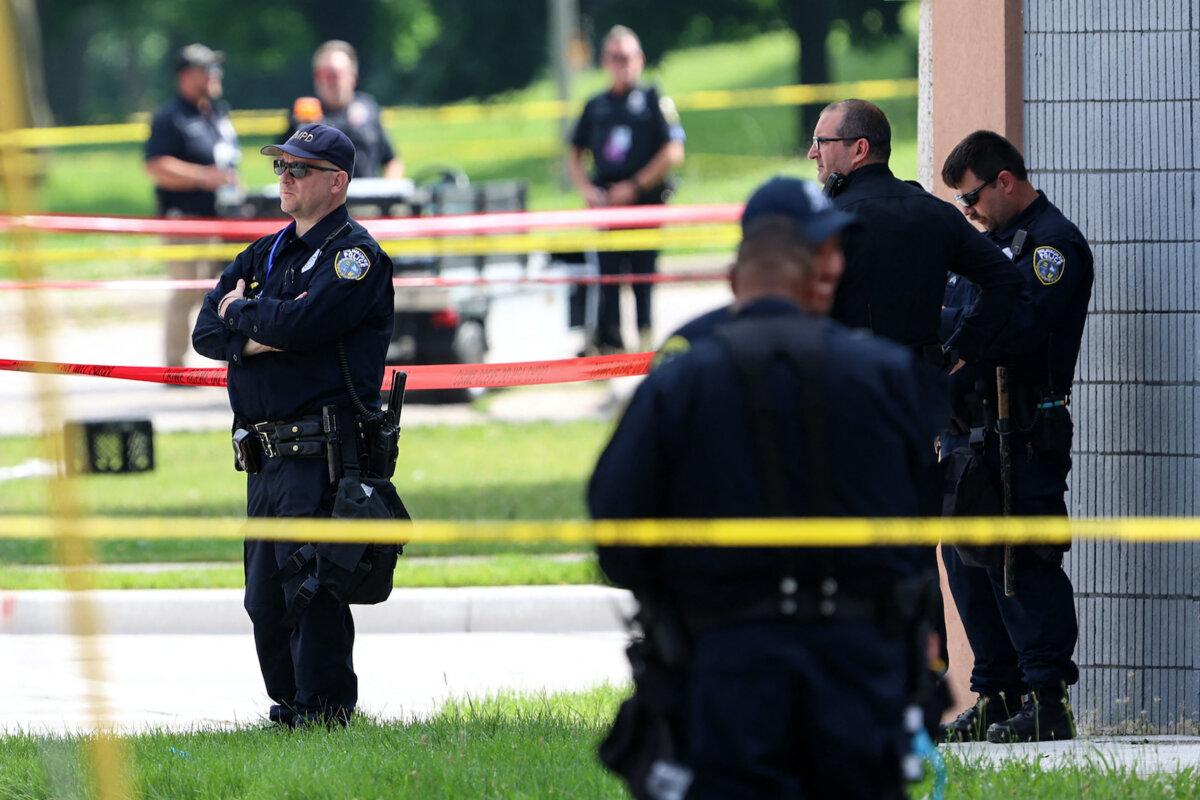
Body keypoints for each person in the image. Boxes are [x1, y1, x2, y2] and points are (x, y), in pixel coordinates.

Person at [590, 177, 947, 799]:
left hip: (727, 665)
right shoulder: (886, 374)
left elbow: (615, 527)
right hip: (858, 668)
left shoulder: (682, 380)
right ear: (817, 272)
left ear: (735, 279)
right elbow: (919, 517)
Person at [192, 123, 394, 727]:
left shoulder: (355, 257)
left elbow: (303, 329)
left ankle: (325, 713)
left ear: (336, 182)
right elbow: (206, 331)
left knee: (313, 586)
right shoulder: (267, 251)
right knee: (264, 596)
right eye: (281, 166)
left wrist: (246, 319)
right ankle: (290, 706)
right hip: (264, 453)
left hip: (321, 450)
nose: (284, 177)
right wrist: (260, 331)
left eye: (298, 169)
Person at [937, 130, 1092, 744]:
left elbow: (1020, 329)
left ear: (1005, 180)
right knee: (967, 561)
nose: (967, 212)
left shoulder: (1051, 246)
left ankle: (1046, 699)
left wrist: (961, 332)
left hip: (1024, 427)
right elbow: (952, 322)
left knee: (1022, 560)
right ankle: (997, 694)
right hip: (970, 430)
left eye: (971, 197)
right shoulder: (984, 249)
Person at [807, 99, 1023, 370]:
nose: (812, 153)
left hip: (849, 392)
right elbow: (1005, 280)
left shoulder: (825, 221)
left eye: (821, 141)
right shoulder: (936, 213)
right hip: (921, 392)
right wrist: (961, 349)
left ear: (860, 149)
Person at [568, 25, 685, 355]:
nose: (623, 64)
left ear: (641, 59)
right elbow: (574, 154)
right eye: (616, 57)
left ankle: (647, 349)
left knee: (644, 279)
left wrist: (634, 187)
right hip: (607, 207)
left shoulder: (653, 100)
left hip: (645, 204)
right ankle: (611, 351)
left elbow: (674, 151)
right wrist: (587, 189)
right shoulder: (595, 105)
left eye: (629, 57)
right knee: (606, 280)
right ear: (605, 61)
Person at [146, 43, 242, 368]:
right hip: (184, 223)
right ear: (187, 76)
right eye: (208, 70)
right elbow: (156, 166)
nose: (216, 76)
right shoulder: (170, 117)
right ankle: (175, 366)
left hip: (221, 221)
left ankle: (226, 362)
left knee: (224, 291)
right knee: (186, 291)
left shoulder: (217, 112)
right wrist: (203, 177)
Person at [283, 40, 403, 180]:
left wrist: (386, 193)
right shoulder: (305, 111)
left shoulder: (368, 108)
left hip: (366, 196)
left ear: (353, 77)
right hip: (321, 198)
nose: (328, 80)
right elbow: (280, 160)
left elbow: (392, 161)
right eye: (322, 74)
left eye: (335, 74)